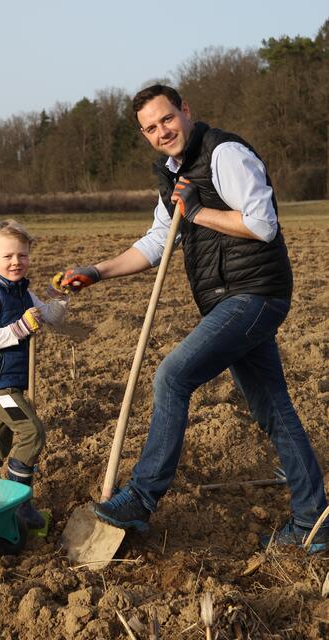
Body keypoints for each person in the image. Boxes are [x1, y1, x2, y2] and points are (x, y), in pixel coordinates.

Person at [62, 84, 328, 552]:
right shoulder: (174, 176)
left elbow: (262, 224)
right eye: (150, 128)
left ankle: (141, 499)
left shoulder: (223, 153)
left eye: (166, 119)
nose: (161, 131)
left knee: (172, 376)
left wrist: (200, 210)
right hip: (228, 300)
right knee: (273, 410)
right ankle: (315, 521)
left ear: (185, 111)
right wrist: (97, 272)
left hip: (254, 295)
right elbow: (156, 242)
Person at [0, 219, 69, 529]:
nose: (16, 262)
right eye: (8, 256)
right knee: (32, 433)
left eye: (22, 255)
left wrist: (59, 294)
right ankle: (19, 501)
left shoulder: (22, 292)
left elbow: (51, 316)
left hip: (7, 383)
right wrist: (21, 328)